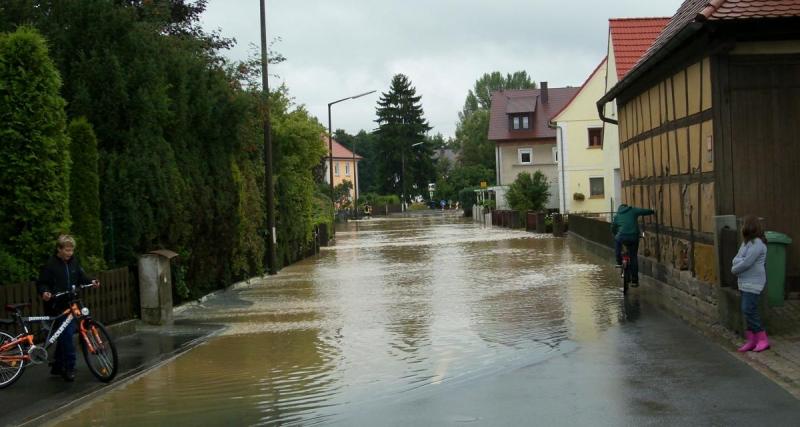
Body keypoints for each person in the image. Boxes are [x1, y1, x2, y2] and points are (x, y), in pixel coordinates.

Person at [36, 234, 100, 381]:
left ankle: (58, 366)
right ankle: (69, 367)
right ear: (59, 249)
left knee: (64, 336)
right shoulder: (50, 265)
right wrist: (45, 292)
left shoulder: (74, 263)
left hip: (72, 303)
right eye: (67, 250)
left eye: (71, 250)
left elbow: (82, 277)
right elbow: (42, 283)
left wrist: (92, 281)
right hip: (57, 306)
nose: (69, 253)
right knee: (67, 337)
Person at [732, 215, 769, 352]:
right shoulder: (746, 243)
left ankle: (762, 339)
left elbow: (747, 262)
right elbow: (737, 258)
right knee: (747, 311)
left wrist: (734, 269)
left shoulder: (757, 244)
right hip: (744, 282)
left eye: (744, 225)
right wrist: (737, 263)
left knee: (749, 309)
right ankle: (752, 340)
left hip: (754, 282)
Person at [611, 204, 655, 286]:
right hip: (634, 237)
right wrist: (652, 211)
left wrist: (615, 234)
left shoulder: (617, 216)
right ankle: (635, 280)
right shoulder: (633, 210)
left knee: (617, 240)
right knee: (633, 257)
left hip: (622, 237)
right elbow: (643, 211)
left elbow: (613, 227)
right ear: (627, 207)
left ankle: (619, 262)